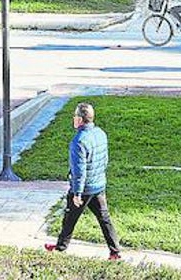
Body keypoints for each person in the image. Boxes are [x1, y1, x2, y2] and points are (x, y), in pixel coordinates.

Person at [46, 102, 123, 261]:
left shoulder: (78, 141)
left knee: (70, 218)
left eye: (75, 116)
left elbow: (79, 171)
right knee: (104, 218)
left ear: (80, 119)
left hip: (85, 188)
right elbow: (105, 159)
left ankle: (60, 248)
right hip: (98, 185)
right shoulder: (101, 133)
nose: (73, 119)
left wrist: (77, 193)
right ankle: (115, 251)